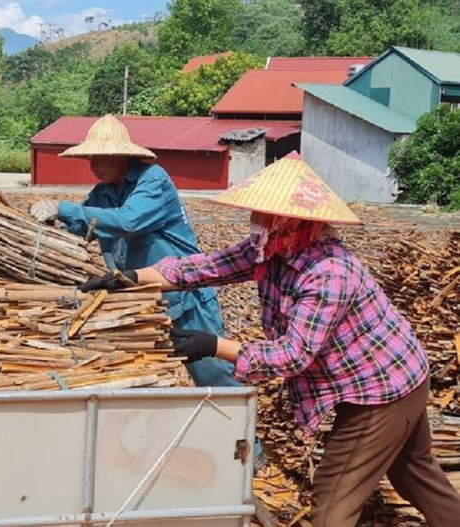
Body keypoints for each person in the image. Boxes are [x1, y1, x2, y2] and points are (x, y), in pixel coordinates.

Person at [87, 152, 460, 526]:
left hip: (380, 389)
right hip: (402, 374)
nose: (253, 223)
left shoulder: (328, 272)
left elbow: (293, 355)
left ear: (290, 220)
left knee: (332, 504)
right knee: (416, 473)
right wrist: (132, 278)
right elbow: (206, 267)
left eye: (262, 215)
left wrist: (213, 345)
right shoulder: (274, 249)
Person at [28, 114, 237, 389]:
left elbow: (129, 221)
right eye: (90, 158)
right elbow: (86, 228)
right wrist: (47, 229)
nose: (92, 166)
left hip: (184, 298)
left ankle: (242, 434)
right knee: (142, 382)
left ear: (121, 156)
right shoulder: (103, 192)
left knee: (215, 380)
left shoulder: (152, 180)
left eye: (98, 158)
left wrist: (63, 207)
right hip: (140, 303)